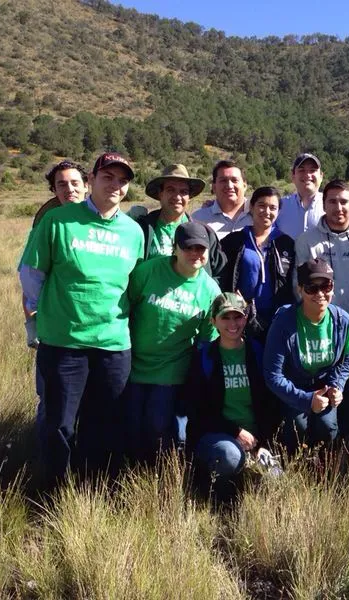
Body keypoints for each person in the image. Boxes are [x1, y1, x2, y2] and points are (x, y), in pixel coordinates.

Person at [19, 152, 144, 486]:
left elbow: (133, 285)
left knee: (104, 422)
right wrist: (49, 314)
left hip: (113, 344)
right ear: (91, 180)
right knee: (60, 424)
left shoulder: (133, 232)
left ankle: (92, 490)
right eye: (108, 177)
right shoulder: (58, 221)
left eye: (122, 180)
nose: (115, 185)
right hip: (64, 343)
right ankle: (55, 491)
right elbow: (31, 274)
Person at [126, 220, 222, 462]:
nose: (195, 254)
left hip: (171, 369)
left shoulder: (210, 291)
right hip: (132, 363)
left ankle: (160, 473)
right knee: (130, 424)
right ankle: (129, 471)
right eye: (188, 248)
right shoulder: (149, 271)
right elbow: (126, 305)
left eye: (200, 248)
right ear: (175, 248)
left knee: (157, 425)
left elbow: (207, 340)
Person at [296, 179, 349, 438]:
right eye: (332, 201)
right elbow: (298, 284)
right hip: (317, 326)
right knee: (316, 386)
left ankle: (344, 443)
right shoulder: (307, 240)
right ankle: (316, 441)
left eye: (344, 201)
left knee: (348, 388)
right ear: (323, 205)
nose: (338, 207)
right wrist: (319, 318)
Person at [184, 293, 281, 501]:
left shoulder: (258, 352)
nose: (232, 324)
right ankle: (221, 497)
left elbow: (270, 404)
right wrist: (235, 432)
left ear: (245, 319)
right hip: (218, 436)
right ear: (214, 321)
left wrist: (263, 443)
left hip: (256, 438)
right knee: (230, 456)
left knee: (275, 480)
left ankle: (248, 486)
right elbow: (199, 412)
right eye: (225, 317)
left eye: (237, 317)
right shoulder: (205, 358)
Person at [18, 159, 88, 443]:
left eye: (75, 183)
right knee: (51, 398)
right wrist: (35, 322)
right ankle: (46, 458)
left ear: (87, 185)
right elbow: (30, 278)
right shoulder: (46, 223)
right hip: (54, 329)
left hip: (92, 331)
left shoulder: (100, 221)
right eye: (62, 184)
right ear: (54, 190)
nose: (69, 189)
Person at [263, 259, 349, 453]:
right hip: (293, 387)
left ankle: (323, 463)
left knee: (327, 427)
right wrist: (306, 400)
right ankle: (293, 462)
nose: (320, 293)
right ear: (300, 290)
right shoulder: (283, 322)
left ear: (333, 287)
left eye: (326, 286)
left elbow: (346, 360)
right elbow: (273, 375)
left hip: (325, 386)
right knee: (298, 427)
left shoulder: (343, 321)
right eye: (311, 288)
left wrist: (337, 386)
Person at [219, 186, 295, 342]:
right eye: (261, 205)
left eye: (272, 207)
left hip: (278, 318)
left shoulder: (286, 243)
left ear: (278, 212)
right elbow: (221, 277)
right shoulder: (233, 241)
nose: (267, 211)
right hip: (241, 317)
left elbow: (293, 282)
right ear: (251, 207)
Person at [135, 163, 225, 277]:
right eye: (171, 190)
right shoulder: (142, 228)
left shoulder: (205, 233)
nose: (177, 197)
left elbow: (219, 273)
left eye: (183, 192)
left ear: (189, 197)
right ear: (160, 194)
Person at [191, 160, 252, 240]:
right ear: (214, 187)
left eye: (234, 180)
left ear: (244, 186)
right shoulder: (198, 219)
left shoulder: (261, 215)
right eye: (223, 180)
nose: (229, 186)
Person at [275, 153, 324, 239]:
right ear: (293, 176)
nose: (307, 175)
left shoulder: (334, 205)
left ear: (321, 176)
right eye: (301, 170)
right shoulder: (279, 206)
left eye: (312, 170)